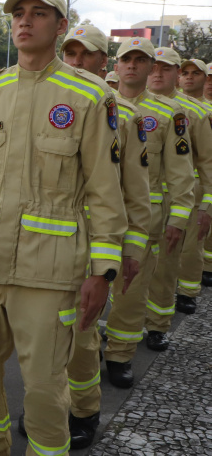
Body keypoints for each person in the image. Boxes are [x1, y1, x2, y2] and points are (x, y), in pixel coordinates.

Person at [0, 0, 126, 455]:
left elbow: (106, 192)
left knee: (44, 391)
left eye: (38, 13)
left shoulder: (89, 96)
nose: (24, 20)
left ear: (60, 27)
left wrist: (102, 271)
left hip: (52, 271)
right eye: (18, 13)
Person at [60, 24, 150, 448]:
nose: (77, 63)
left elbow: (136, 189)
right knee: (42, 338)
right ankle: (49, 404)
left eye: (87, 55)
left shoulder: (126, 117)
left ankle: (83, 411)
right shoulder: (45, 105)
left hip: (95, 242)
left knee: (81, 336)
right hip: (46, 243)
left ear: (103, 62)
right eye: (70, 54)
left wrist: (128, 251)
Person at [105, 38, 194, 375]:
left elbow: (181, 172)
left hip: (142, 222)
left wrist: (180, 218)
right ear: (116, 65)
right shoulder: (97, 106)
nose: (132, 65)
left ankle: (120, 355)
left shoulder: (170, 114)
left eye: (140, 60)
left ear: (150, 67)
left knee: (131, 291)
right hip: (93, 220)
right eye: (126, 59)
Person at [147, 47, 212, 318]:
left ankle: (162, 319)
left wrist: (206, 206)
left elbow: (207, 162)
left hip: (179, 199)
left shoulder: (193, 113)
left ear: (175, 75)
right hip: (142, 201)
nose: (158, 74)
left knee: (170, 262)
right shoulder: (128, 107)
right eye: (154, 67)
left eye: (166, 68)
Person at [180, 59, 212, 288]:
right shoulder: (171, 107)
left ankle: (188, 289)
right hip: (171, 187)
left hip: (200, 184)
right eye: (185, 73)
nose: (189, 77)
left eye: (196, 73)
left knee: (194, 242)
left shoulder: (204, 112)